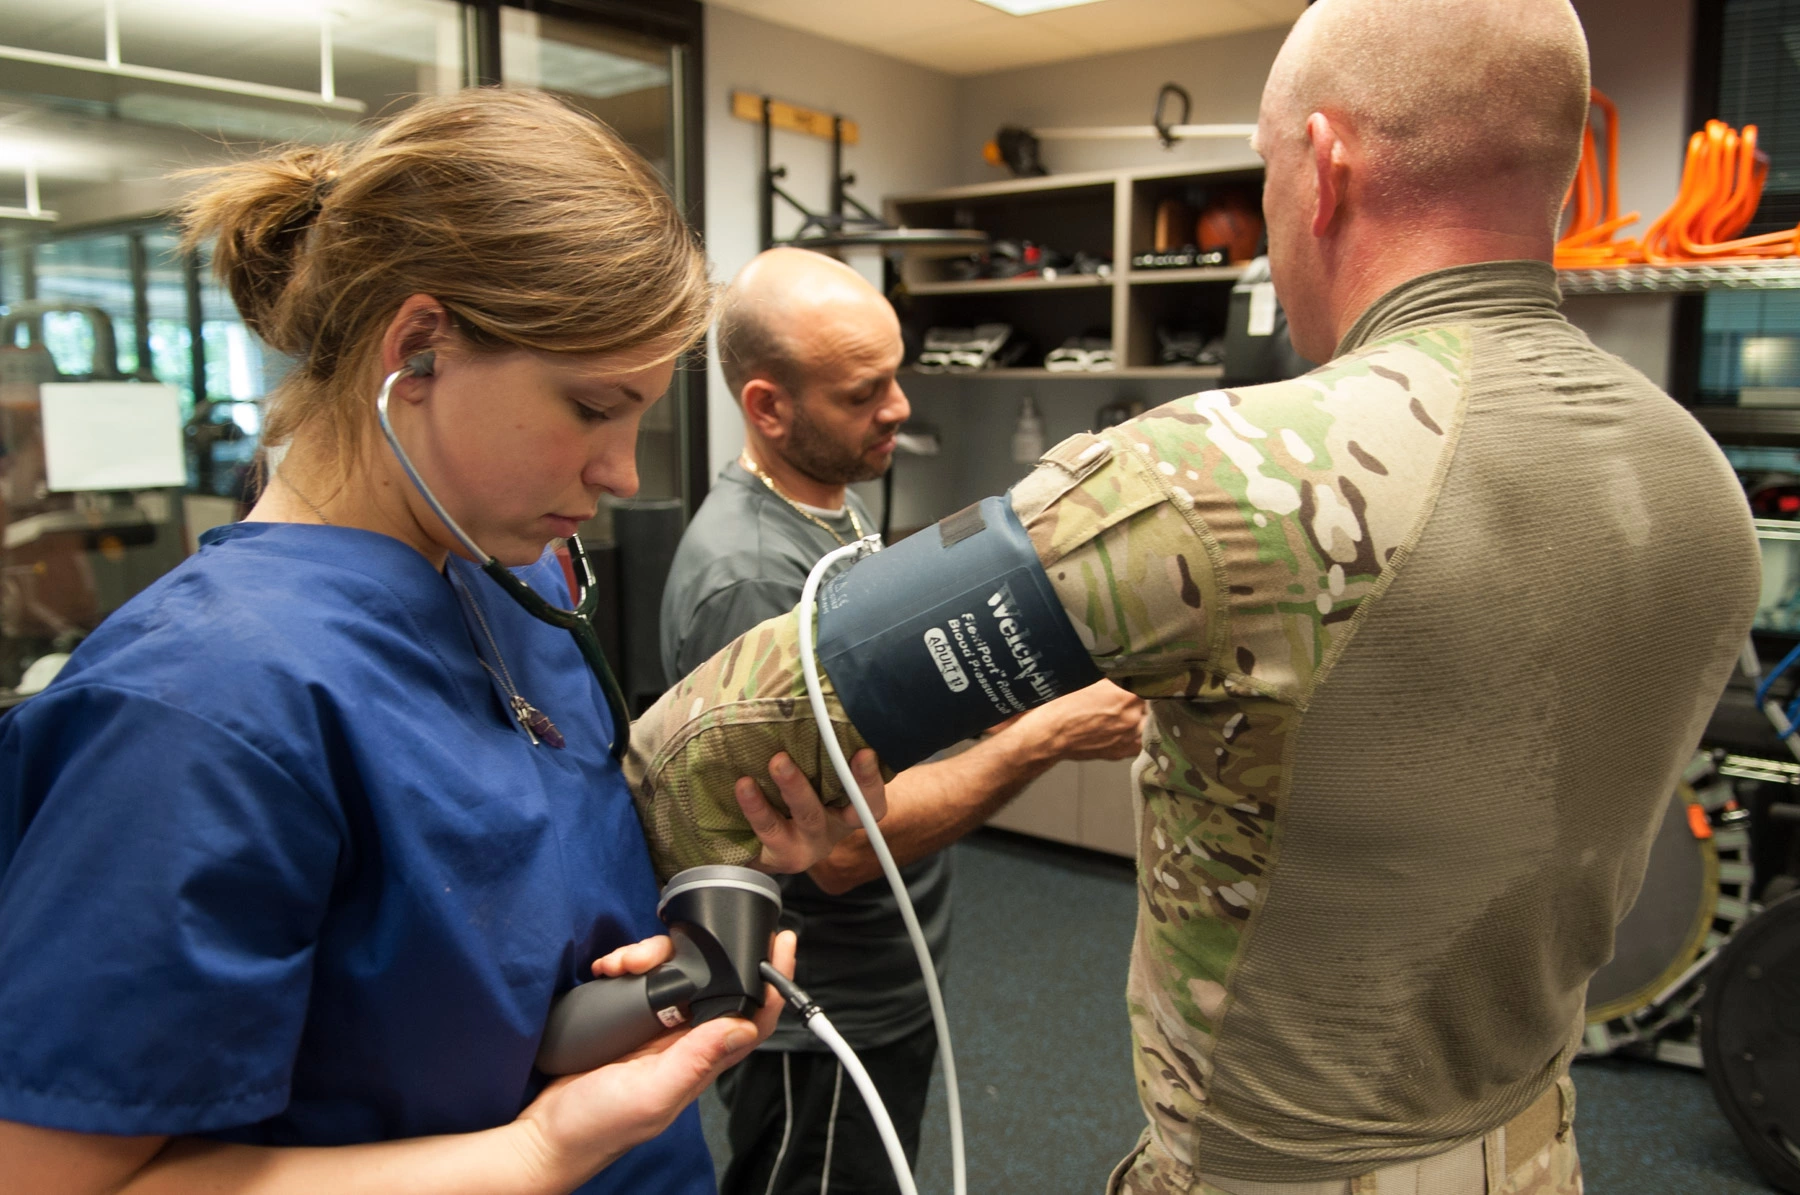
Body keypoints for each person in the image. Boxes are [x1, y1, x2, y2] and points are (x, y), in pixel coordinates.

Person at [615, 0, 1765, 1191]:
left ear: (1322, 169)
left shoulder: (1215, 476)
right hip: (1533, 1148)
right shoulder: (1698, 488)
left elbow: (707, 751)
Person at [0, 90, 887, 1195]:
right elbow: (55, 1179)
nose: (622, 475)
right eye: (592, 408)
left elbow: (510, 887)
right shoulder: (195, 708)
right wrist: (537, 1154)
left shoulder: (510, 572)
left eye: (641, 419)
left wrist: (727, 859)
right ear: (418, 349)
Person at [659, 246, 1146, 1195]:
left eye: (895, 377)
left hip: (886, 980)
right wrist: (1046, 735)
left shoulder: (824, 517)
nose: (898, 407)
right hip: (821, 1012)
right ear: (768, 407)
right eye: (861, 392)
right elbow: (837, 848)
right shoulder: (754, 577)